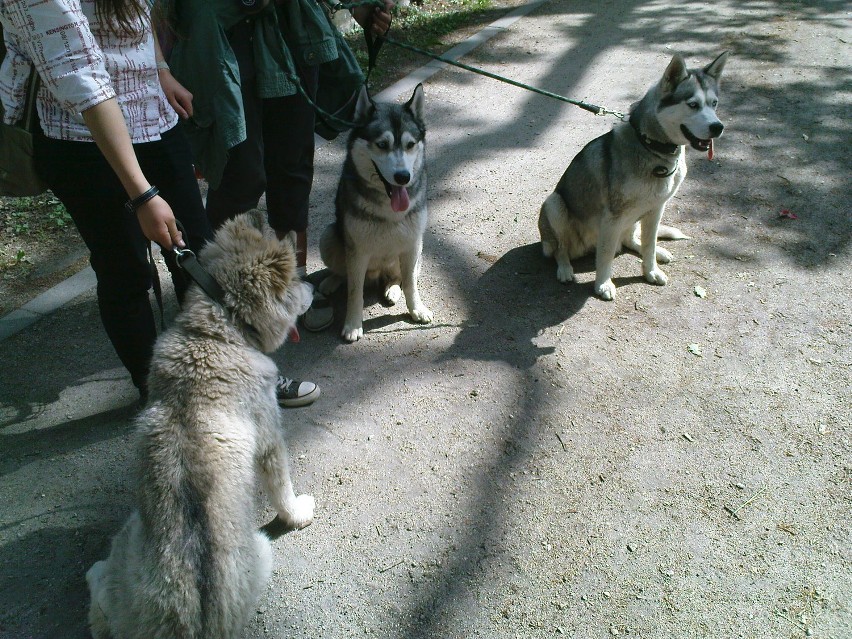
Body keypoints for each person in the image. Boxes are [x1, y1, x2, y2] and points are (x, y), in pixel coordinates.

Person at [158, 0, 393, 407]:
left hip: (290, 26)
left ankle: (291, 285)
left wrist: (362, 6)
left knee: (294, 165)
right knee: (239, 174)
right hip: (222, 33)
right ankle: (230, 303)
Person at [0, 0, 214, 404]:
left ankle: (226, 376)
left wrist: (161, 70)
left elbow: (137, 10)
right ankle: (158, 393)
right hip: (79, 139)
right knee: (126, 270)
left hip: (153, 117)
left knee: (198, 253)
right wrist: (143, 194)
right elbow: (82, 77)